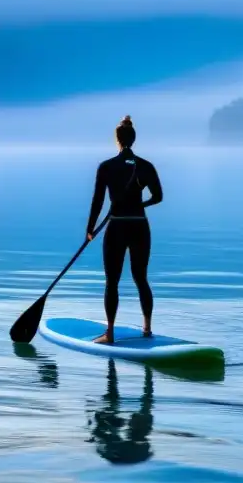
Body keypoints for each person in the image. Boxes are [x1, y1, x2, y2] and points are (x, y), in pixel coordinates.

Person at [85, 115, 163, 344]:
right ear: (134, 139)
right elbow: (158, 197)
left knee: (112, 282)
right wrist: (139, 204)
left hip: (117, 225)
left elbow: (98, 201)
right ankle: (147, 329)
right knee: (141, 278)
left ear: (117, 140)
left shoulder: (107, 167)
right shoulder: (146, 166)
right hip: (139, 226)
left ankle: (109, 333)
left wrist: (90, 229)